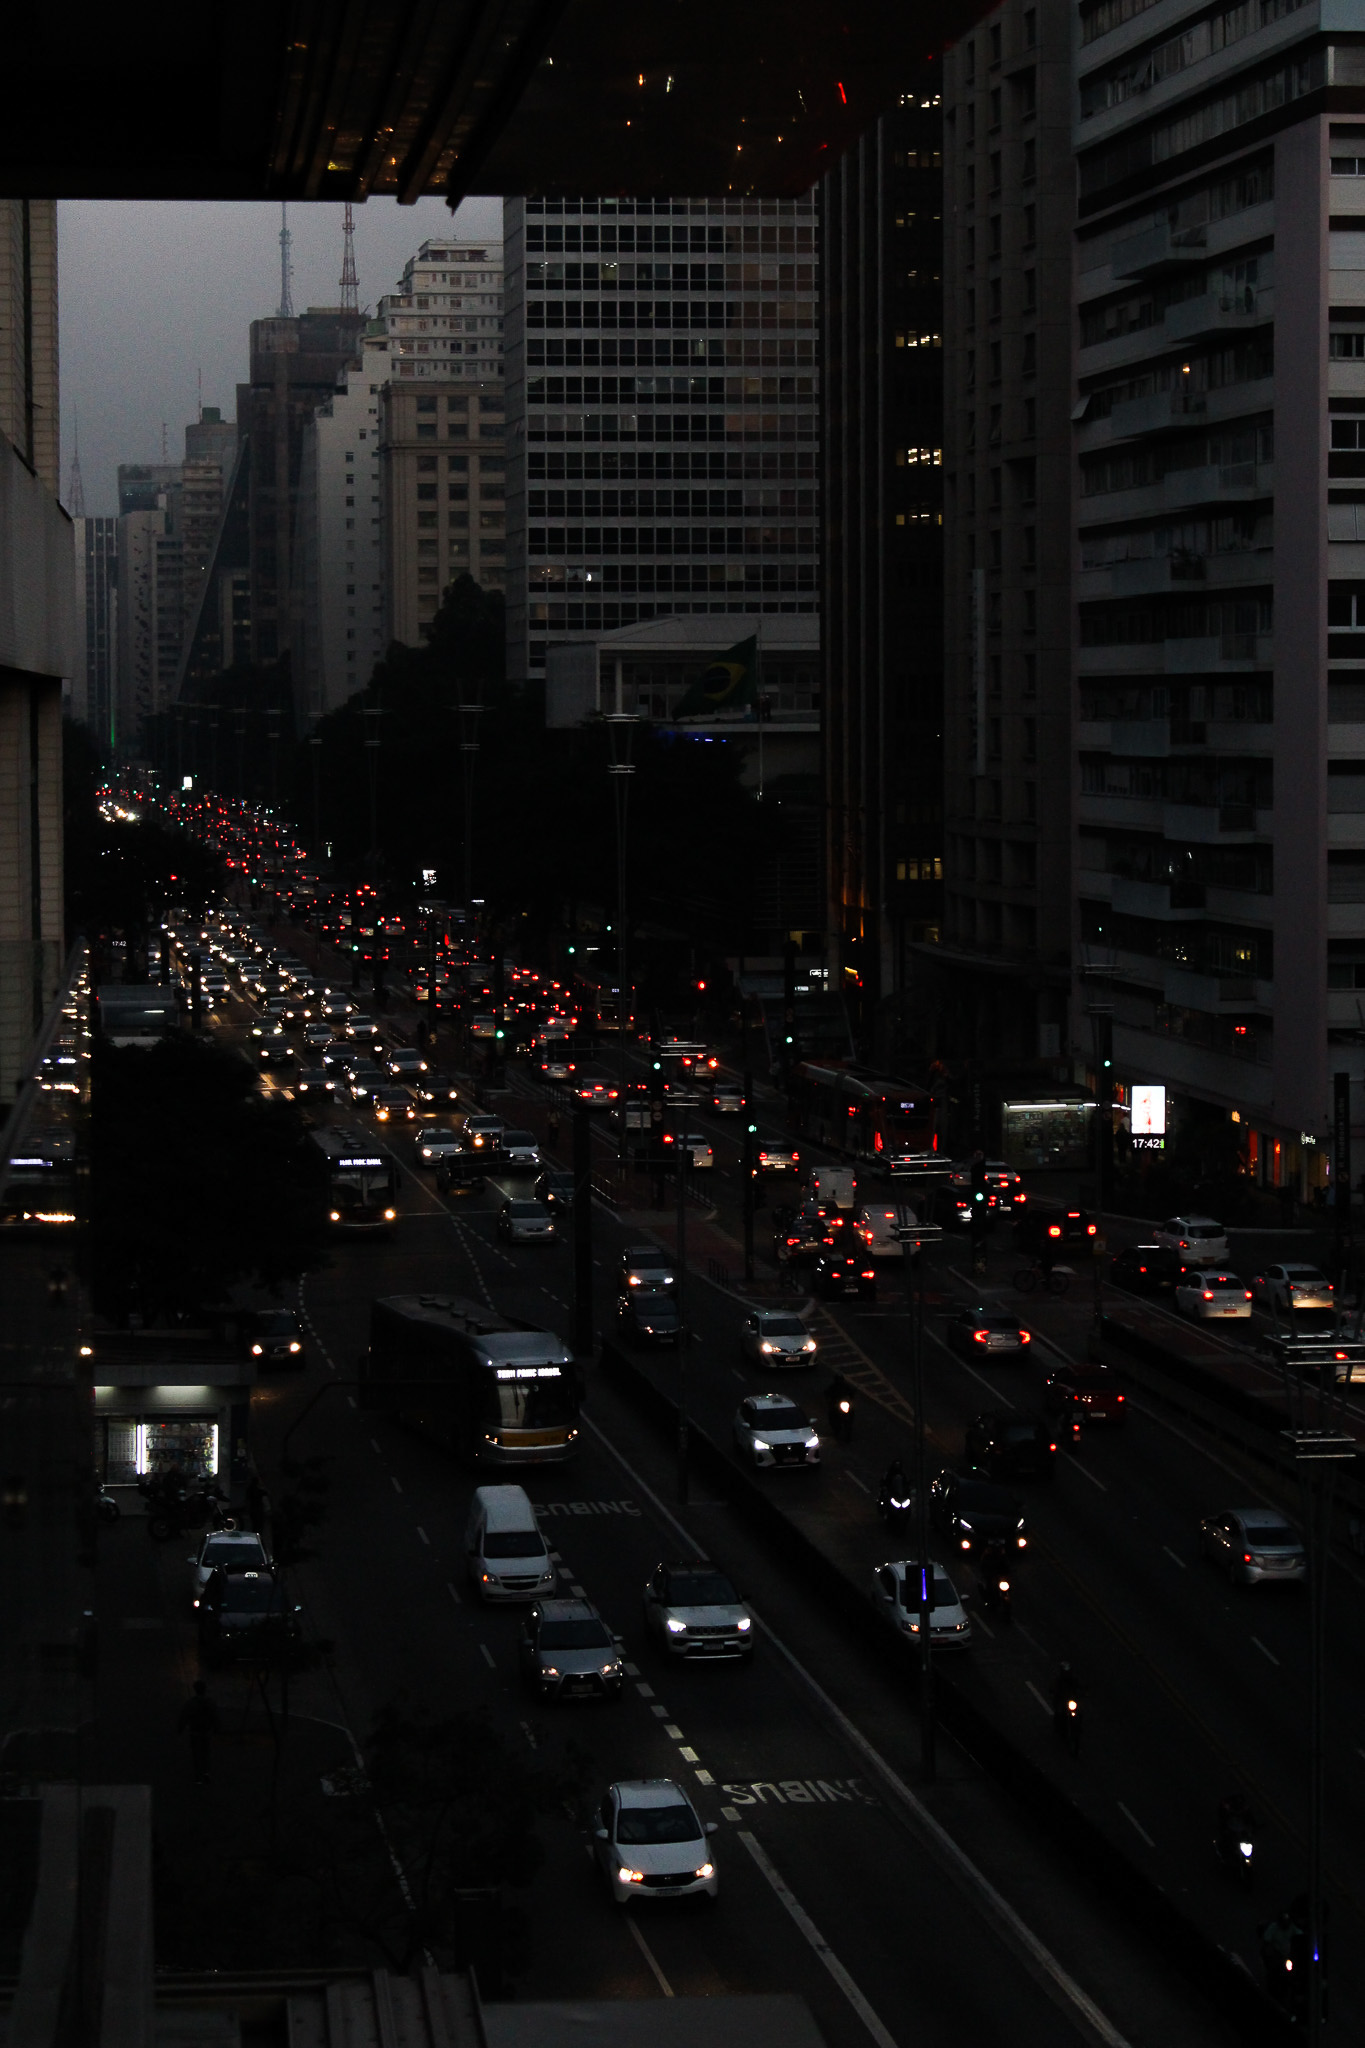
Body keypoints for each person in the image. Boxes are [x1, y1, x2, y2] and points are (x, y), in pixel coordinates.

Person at [178, 1678, 220, 1784]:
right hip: (206, 1731)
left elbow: (184, 1716)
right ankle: (206, 1773)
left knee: (196, 1754)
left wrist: (180, 1728)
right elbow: (215, 1716)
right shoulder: (210, 1702)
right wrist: (216, 1728)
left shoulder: (190, 1703)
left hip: (195, 1732)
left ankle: (198, 1776)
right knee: (206, 1753)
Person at [825, 1374, 855, 1443]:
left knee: (851, 1412)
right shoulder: (833, 1387)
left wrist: (852, 1396)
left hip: (845, 1403)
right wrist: (829, 1399)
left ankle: (848, 1433)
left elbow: (851, 1392)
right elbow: (827, 1393)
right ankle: (836, 1429)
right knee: (832, 1413)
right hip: (836, 1404)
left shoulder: (846, 1386)